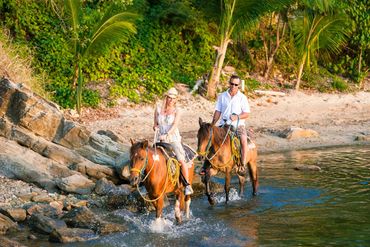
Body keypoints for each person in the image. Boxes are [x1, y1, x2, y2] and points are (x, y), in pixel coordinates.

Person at [153, 87, 193, 195]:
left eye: (172, 98)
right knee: (151, 157)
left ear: (175, 100)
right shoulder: (158, 108)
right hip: (159, 138)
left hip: (172, 138)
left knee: (181, 159)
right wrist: (156, 127)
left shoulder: (177, 111)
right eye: (169, 97)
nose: (170, 100)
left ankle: (187, 185)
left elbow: (175, 125)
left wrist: (166, 135)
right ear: (166, 97)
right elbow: (155, 123)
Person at [211, 75, 251, 175]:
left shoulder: (242, 98)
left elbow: (246, 113)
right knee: (210, 138)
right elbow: (217, 111)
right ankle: (206, 164)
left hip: (238, 125)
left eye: (236, 84)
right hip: (224, 124)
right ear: (229, 83)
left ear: (239, 86)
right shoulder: (222, 96)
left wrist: (237, 117)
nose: (233, 86)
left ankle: (242, 165)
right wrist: (212, 124)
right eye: (232, 84)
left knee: (243, 140)